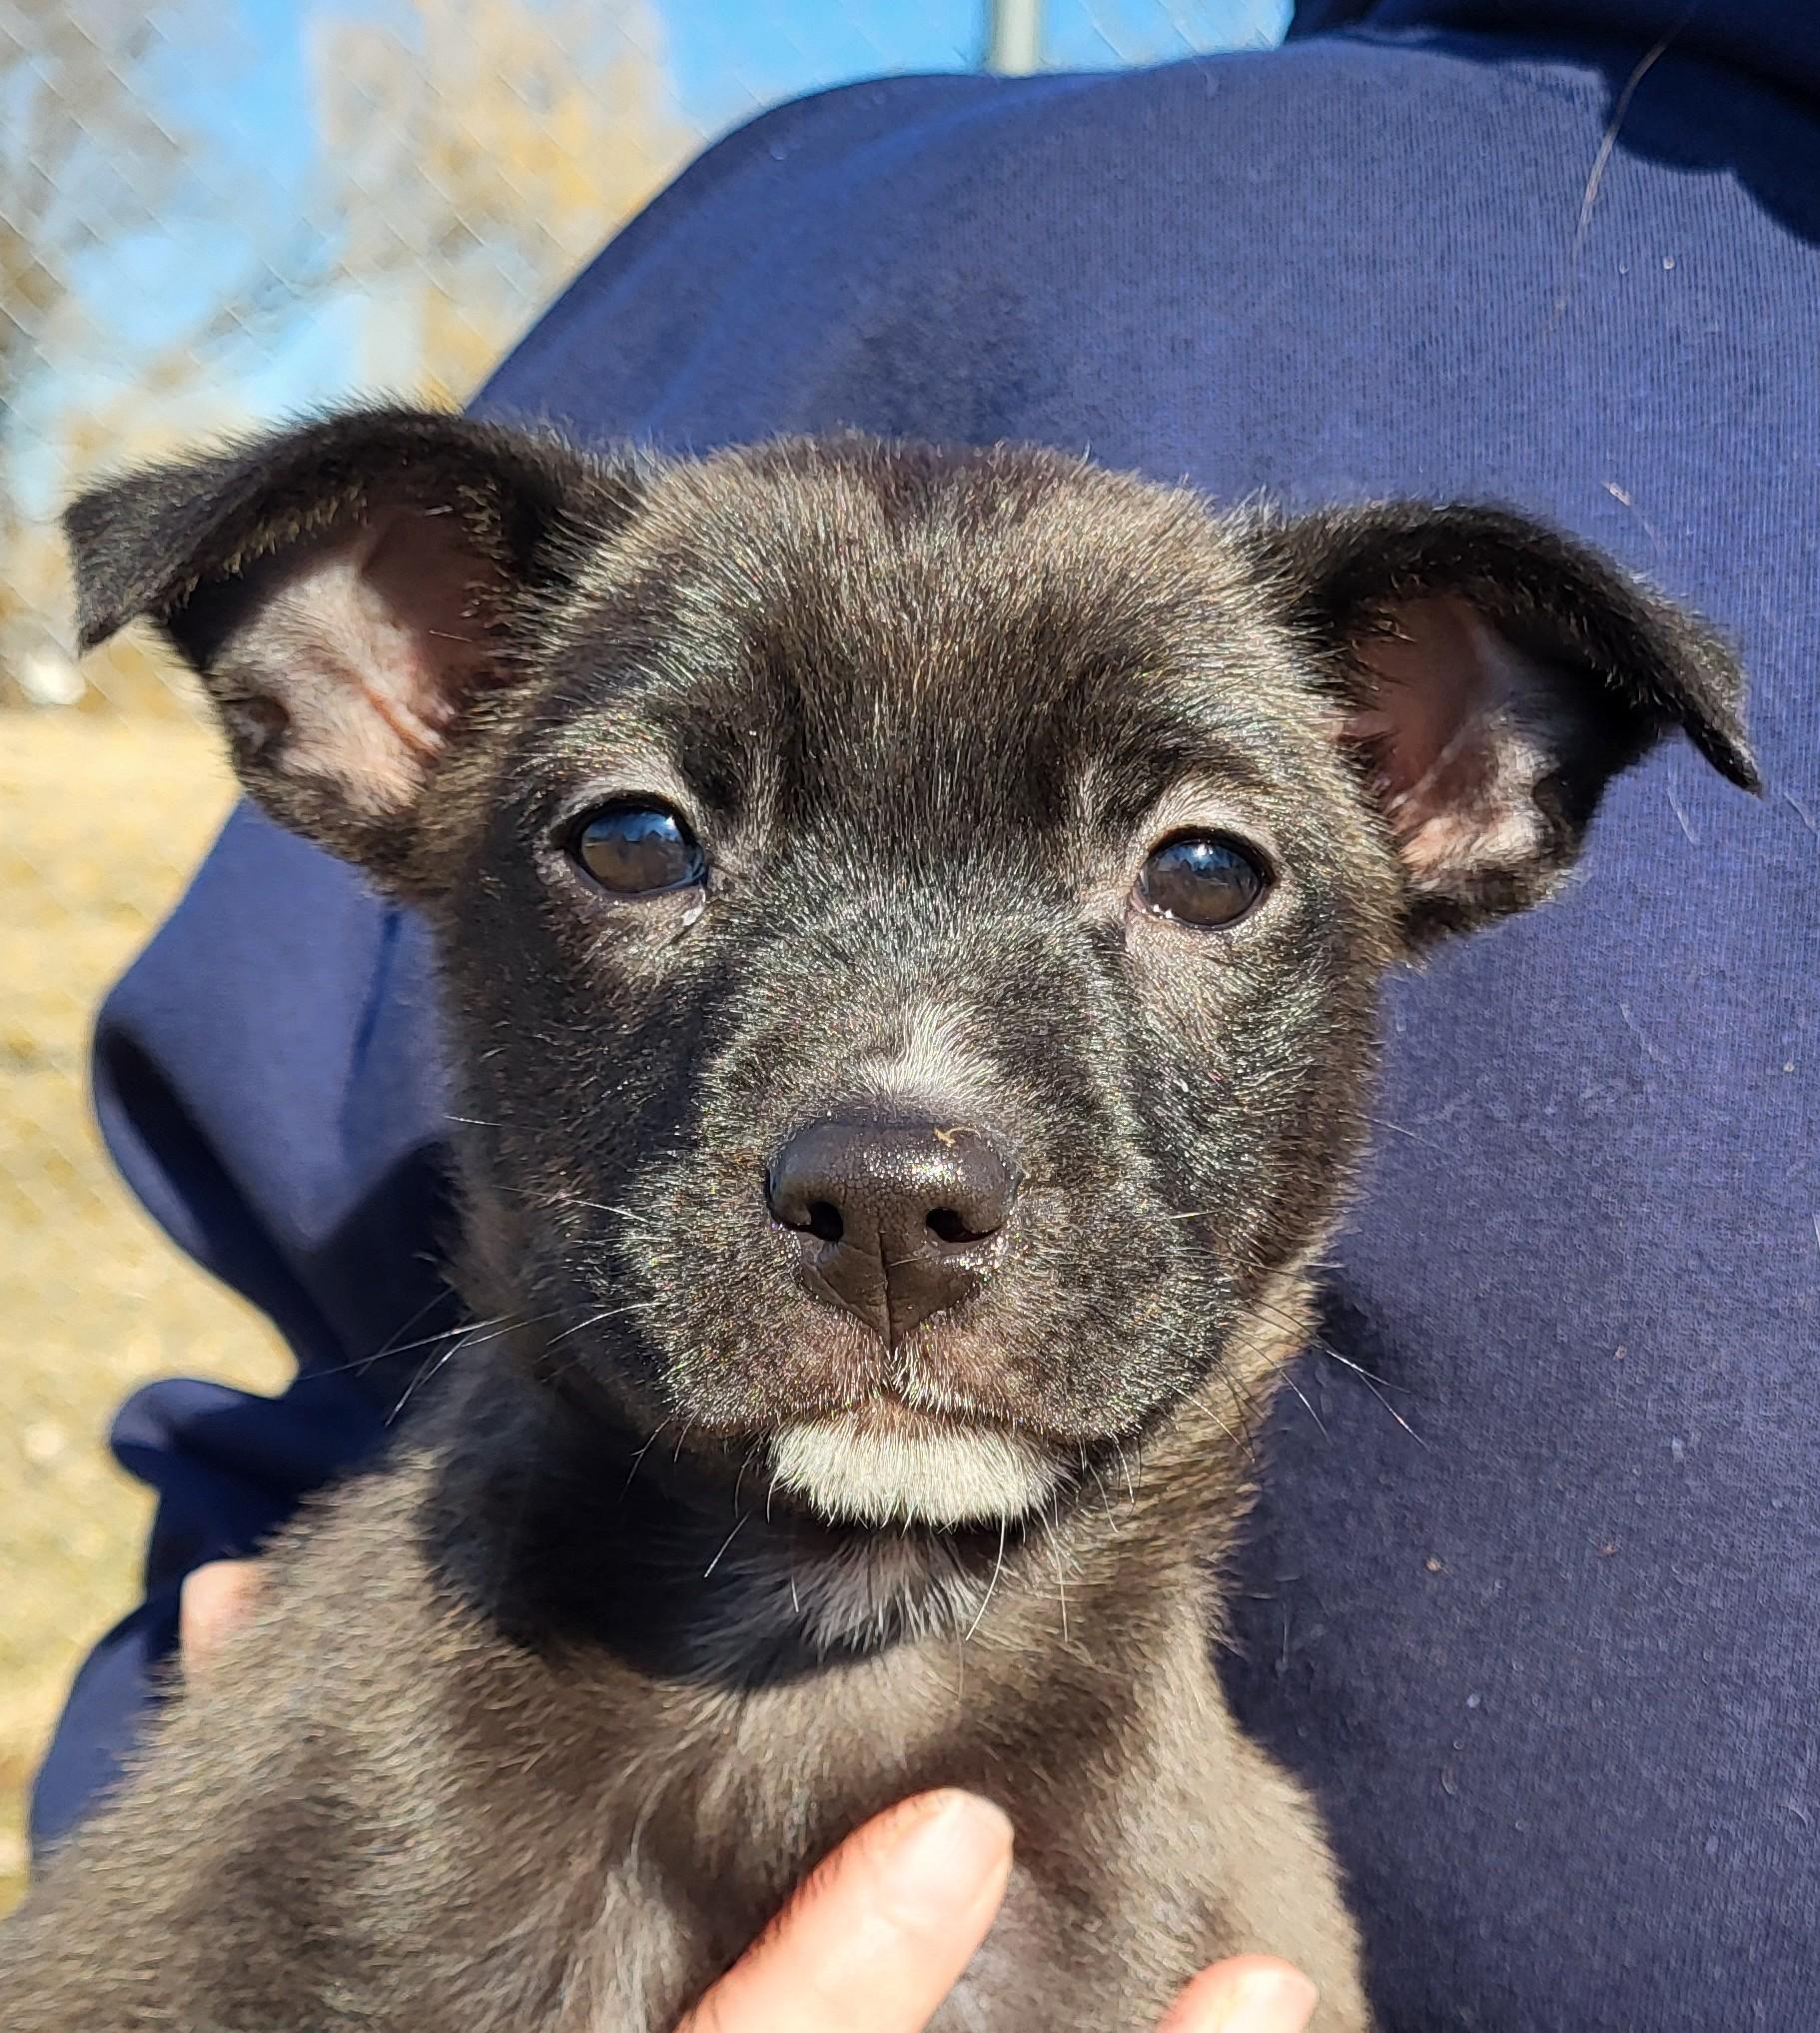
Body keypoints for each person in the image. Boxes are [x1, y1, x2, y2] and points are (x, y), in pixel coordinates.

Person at [30, 1, 1818, 2025]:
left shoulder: (1241, 1924)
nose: (902, 1136)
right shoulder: (253, 1887)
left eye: (1199, 871)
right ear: (391, 715)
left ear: (1442, 786)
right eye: (638, 840)